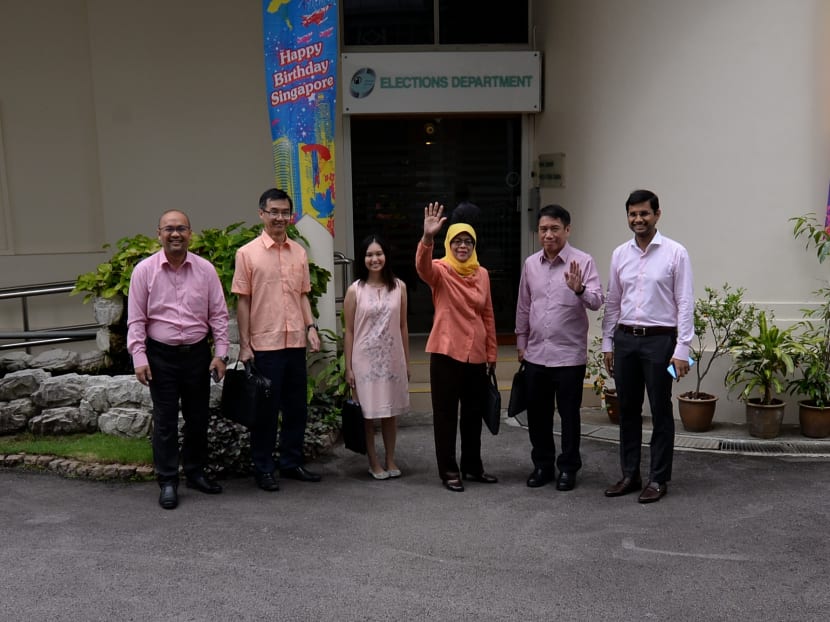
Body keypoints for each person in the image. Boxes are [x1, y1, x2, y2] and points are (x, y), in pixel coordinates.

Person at [127, 210, 229, 510]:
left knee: (198, 418)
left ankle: (196, 473)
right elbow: (136, 319)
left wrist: (221, 354)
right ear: (158, 233)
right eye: (169, 229)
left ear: (190, 233)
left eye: (181, 228)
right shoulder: (144, 271)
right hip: (161, 356)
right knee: (166, 421)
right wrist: (139, 356)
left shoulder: (205, 270)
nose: (175, 234)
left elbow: (219, 315)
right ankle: (168, 481)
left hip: (197, 355)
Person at [601, 189, 694, 503]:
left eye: (644, 213)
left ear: (657, 215)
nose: (638, 219)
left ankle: (658, 478)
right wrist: (608, 343)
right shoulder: (620, 254)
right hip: (626, 339)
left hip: (660, 342)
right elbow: (613, 301)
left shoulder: (675, 253)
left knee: (660, 410)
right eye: (633, 214)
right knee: (627, 410)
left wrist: (682, 349)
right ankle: (630, 474)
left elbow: (685, 302)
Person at [232, 188, 322, 492]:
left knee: (297, 408)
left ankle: (291, 462)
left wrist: (311, 327)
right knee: (266, 412)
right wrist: (245, 345)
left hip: (295, 342)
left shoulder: (299, 252)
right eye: (274, 212)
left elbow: (303, 295)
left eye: (285, 212)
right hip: (265, 345)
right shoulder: (247, 253)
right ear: (262, 214)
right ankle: (263, 468)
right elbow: (243, 301)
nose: (280, 218)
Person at [515, 204, 603, 491]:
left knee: (569, 416)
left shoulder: (583, 261)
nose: (548, 234)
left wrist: (579, 289)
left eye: (554, 228)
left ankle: (568, 468)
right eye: (543, 229)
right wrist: (521, 341)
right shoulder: (531, 264)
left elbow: (597, 301)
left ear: (567, 229)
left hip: (568, 356)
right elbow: (524, 306)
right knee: (538, 416)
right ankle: (542, 465)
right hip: (536, 354)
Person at [416, 202, 498, 492]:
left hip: (475, 353)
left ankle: (472, 466)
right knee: (446, 415)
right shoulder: (440, 270)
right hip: (446, 352)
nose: (462, 246)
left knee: (473, 414)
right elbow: (422, 267)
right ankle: (449, 470)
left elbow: (488, 314)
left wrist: (491, 353)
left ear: (474, 245)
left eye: (468, 241)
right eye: (457, 241)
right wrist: (428, 238)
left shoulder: (482, 273)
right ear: (449, 244)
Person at [344, 234, 411, 480]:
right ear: (362, 259)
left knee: (389, 412)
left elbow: (403, 325)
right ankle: (373, 462)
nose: (374, 259)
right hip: (364, 361)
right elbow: (349, 331)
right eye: (369, 255)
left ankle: (390, 459)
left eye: (379, 253)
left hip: (392, 358)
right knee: (368, 414)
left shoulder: (399, 287)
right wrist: (348, 367)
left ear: (386, 256)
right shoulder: (355, 290)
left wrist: (406, 361)